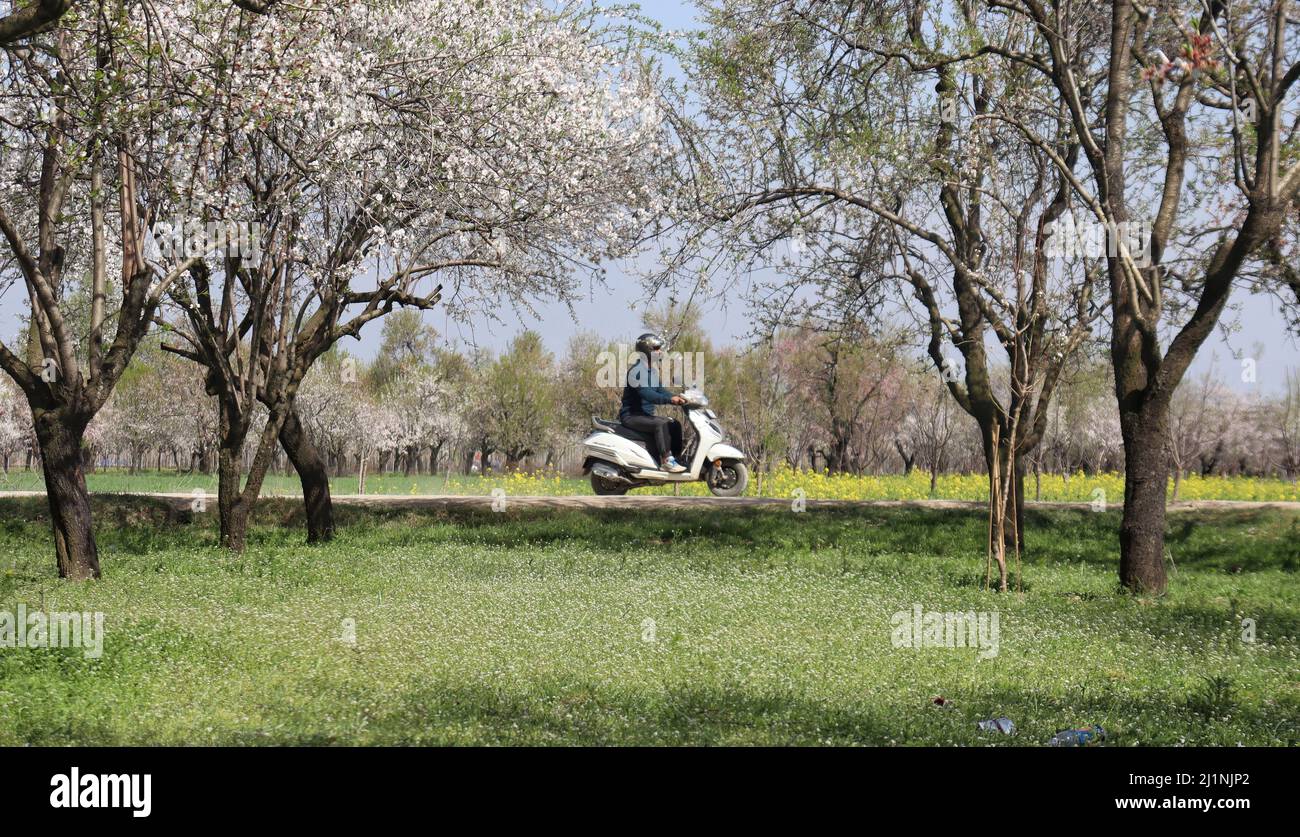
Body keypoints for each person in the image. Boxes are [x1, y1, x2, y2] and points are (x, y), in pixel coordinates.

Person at [619, 332, 687, 472]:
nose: (660, 351)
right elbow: (648, 394)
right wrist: (670, 400)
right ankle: (666, 460)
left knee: (674, 424)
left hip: (645, 415)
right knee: (661, 423)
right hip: (632, 416)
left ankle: (676, 458)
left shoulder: (652, 372)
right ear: (647, 350)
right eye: (656, 348)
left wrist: (677, 397)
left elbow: (660, 391)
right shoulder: (636, 372)